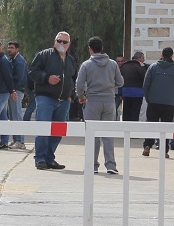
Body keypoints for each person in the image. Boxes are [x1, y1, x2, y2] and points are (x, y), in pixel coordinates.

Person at [30, 31, 79, 170]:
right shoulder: (44, 55)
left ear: (69, 44)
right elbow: (32, 72)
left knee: (58, 132)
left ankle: (49, 159)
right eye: (59, 41)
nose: (61, 44)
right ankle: (40, 158)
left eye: (64, 42)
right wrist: (47, 78)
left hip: (64, 101)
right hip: (45, 98)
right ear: (54, 41)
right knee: (43, 129)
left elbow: (74, 79)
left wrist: (71, 95)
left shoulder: (71, 60)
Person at [76, 36, 125, 174]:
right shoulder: (113, 64)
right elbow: (120, 82)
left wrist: (81, 96)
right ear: (102, 48)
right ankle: (111, 165)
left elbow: (79, 84)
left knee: (93, 135)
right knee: (108, 134)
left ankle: (92, 166)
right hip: (109, 101)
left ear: (90, 49)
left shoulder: (86, 65)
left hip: (93, 101)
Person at [141, 47, 174, 157]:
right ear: (172, 55)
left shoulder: (153, 67)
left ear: (161, 54)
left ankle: (147, 146)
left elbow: (146, 85)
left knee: (151, 125)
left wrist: (148, 98)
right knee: (165, 127)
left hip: (154, 102)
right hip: (169, 103)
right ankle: (164, 150)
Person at [119, 51, 147, 123]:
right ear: (139, 58)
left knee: (126, 111)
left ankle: (125, 126)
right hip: (137, 93)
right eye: (143, 58)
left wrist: (120, 92)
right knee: (135, 113)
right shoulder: (140, 66)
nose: (144, 60)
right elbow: (145, 79)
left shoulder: (124, 66)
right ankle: (133, 128)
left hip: (125, 92)